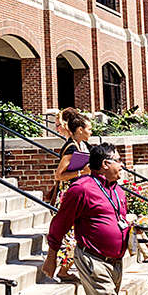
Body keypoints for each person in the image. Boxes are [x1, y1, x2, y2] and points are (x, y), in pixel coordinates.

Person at [43, 143, 129, 295]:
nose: (122, 165)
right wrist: (51, 259)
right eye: (119, 160)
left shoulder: (118, 191)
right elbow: (59, 225)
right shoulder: (81, 189)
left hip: (116, 262)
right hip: (92, 260)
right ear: (106, 164)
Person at [53, 111, 91, 281]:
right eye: (89, 129)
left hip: (76, 192)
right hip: (67, 196)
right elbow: (59, 175)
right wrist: (82, 171)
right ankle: (62, 270)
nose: (91, 132)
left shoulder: (81, 146)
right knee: (69, 233)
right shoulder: (71, 147)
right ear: (80, 130)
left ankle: (67, 267)